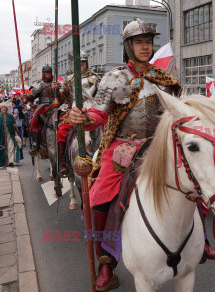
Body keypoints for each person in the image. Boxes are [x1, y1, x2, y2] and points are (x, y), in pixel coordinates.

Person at [69, 18, 184, 291]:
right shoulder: (114, 77)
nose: (145, 46)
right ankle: (107, 261)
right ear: (128, 46)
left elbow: (176, 112)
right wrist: (84, 119)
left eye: (148, 41)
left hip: (160, 145)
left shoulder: (163, 77)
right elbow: (99, 113)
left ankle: (200, 242)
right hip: (124, 147)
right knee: (97, 199)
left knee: (196, 176)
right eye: (139, 42)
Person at [56, 51, 101, 177]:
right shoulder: (69, 79)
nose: (81, 64)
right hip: (73, 111)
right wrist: (56, 91)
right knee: (61, 132)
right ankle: (63, 163)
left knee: (108, 129)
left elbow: (102, 96)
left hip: (92, 109)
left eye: (83, 62)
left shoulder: (95, 78)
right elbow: (61, 98)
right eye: (79, 62)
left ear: (87, 62)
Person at [26, 65, 67, 156]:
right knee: (33, 122)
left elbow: (63, 98)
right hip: (43, 106)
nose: (48, 74)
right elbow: (32, 97)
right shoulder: (40, 84)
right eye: (46, 72)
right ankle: (35, 144)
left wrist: (57, 90)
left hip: (56, 106)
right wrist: (27, 98)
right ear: (43, 73)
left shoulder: (57, 83)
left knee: (66, 120)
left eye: (49, 72)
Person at [0, 102, 21, 167]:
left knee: (11, 147)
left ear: (6, 108)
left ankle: (10, 161)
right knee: (2, 149)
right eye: (2, 108)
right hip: (1, 136)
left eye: (4, 108)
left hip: (10, 135)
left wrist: (16, 134)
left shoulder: (10, 116)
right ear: (0, 109)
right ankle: (4, 162)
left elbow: (14, 125)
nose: (3, 109)